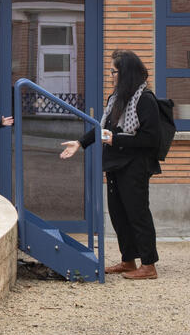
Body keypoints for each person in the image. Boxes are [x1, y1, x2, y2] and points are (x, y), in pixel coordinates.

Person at [60, 49, 160, 280]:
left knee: (137, 213)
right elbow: (102, 130)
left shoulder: (145, 100)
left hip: (135, 165)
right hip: (116, 163)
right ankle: (128, 260)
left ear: (125, 73)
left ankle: (149, 265)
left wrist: (117, 139)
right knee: (118, 213)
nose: (111, 75)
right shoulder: (116, 99)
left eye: (114, 71)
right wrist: (80, 143)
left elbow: (150, 139)